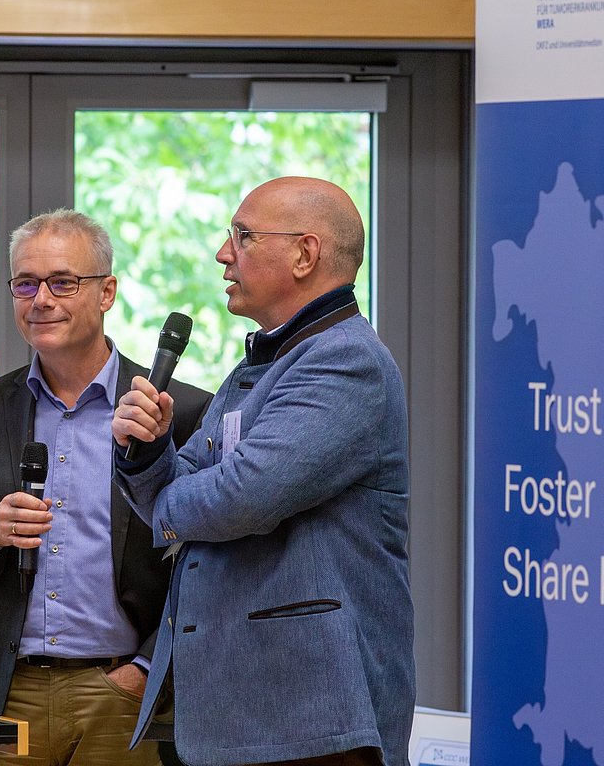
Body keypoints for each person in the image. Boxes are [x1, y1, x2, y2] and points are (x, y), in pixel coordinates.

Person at [111, 177, 415, 766]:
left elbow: (241, 498)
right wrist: (145, 451)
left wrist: (171, 501)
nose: (223, 254)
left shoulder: (346, 361)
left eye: (243, 236)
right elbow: (186, 483)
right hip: (240, 714)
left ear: (305, 254)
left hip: (309, 720)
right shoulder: (261, 363)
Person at [0, 209, 212, 766]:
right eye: (25, 283)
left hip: (125, 693)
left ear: (107, 293)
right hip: (7, 691)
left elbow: (209, 567)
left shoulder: (176, 410)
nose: (41, 300)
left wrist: (144, 670)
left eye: (62, 282)